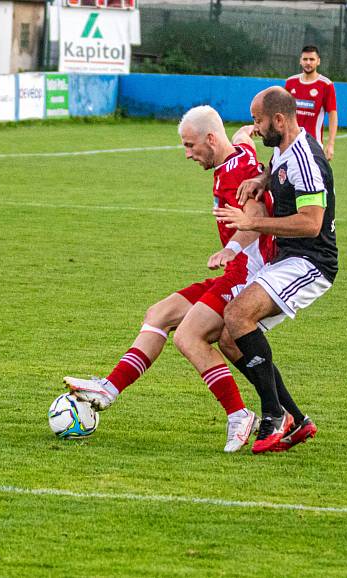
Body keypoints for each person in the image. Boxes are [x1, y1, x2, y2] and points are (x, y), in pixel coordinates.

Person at [63, 105, 277, 453]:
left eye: (191, 146)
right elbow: (242, 142)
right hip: (234, 272)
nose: (188, 154)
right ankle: (108, 389)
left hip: (247, 275)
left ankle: (239, 414)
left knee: (190, 337)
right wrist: (245, 133)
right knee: (159, 313)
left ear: (210, 139)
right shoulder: (237, 155)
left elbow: (257, 215)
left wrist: (232, 248)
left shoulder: (238, 173)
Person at [212, 86, 337, 454]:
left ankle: (273, 413)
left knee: (237, 314)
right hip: (289, 258)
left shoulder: (308, 159)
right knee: (228, 336)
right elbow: (280, 171)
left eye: (258, 120)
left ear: (279, 120)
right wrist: (262, 179)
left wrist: (253, 225)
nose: (255, 127)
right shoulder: (286, 147)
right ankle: (296, 420)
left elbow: (312, 223)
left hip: (311, 260)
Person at [285, 45, 338, 161]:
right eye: (305, 59)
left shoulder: (326, 85)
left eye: (312, 59)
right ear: (300, 61)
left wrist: (330, 144)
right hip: (289, 143)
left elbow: (333, 114)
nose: (308, 63)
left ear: (318, 61)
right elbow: (283, 112)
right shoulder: (290, 82)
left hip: (313, 145)